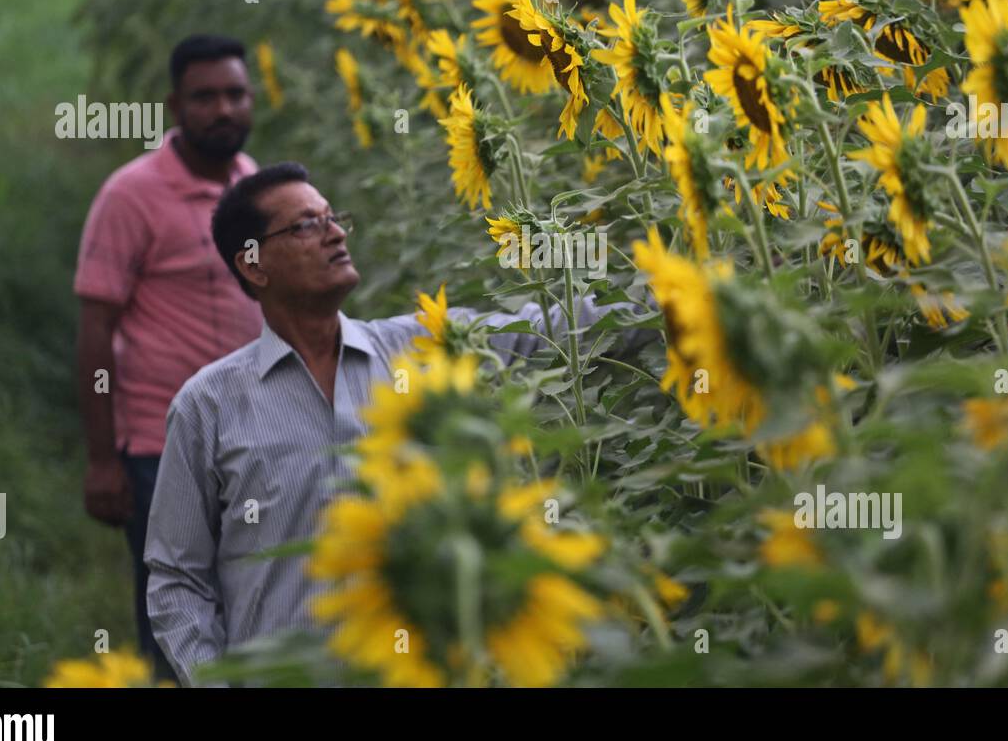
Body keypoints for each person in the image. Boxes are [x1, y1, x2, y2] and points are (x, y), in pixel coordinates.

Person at [145, 162, 653, 686]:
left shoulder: (422, 347)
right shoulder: (209, 404)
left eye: (333, 218)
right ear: (252, 265)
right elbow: (177, 578)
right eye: (305, 226)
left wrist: (682, 291)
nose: (336, 233)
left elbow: (564, 330)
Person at [74, 34, 262, 681]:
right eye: (205, 97)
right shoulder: (132, 195)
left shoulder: (254, 188)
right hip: (161, 444)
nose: (223, 110)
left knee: (256, 605)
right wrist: (103, 460)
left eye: (235, 94)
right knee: (177, 619)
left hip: (251, 435)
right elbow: (96, 327)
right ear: (174, 104)